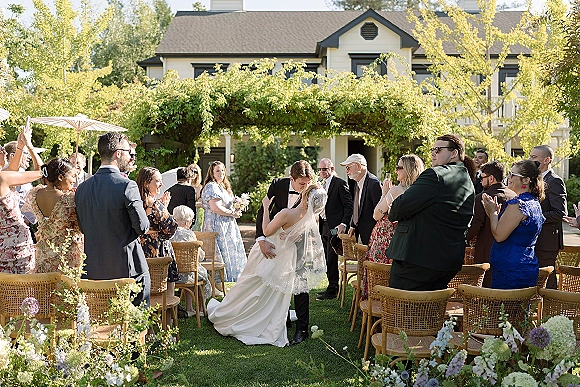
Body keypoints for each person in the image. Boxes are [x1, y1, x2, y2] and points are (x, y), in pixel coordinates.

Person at [207, 185, 326, 347]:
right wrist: (292, 235)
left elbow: (267, 231)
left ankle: (233, 315)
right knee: (270, 291)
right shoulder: (312, 217)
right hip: (287, 256)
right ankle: (268, 317)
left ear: (305, 196)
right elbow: (301, 235)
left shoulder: (287, 213)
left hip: (269, 252)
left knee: (249, 285)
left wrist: (265, 207)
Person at [386, 134, 476, 291]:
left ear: (454, 153)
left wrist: (395, 206)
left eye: (439, 150)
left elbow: (397, 209)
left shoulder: (435, 175)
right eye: (432, 149)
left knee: (404, 312)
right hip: (447, 262)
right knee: (432, 312)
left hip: (417, 261)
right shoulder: (467, 180)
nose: (433, 153)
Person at [75, 132, 151, 307]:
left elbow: (83, 227)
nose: (130, 156)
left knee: (100, 324)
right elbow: (142, 227)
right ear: (118, 153)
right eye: (128, 152)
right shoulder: (127, 185)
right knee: (135, 324)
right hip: (128, 269)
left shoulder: (82, 188)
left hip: (93, 269)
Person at [255, 160, 315, 345]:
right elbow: (262, 210)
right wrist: (261, 240)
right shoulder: (278, 185)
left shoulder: (313, 190)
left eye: (308, 182)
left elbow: (316, 218)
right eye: (301, 183)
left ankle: (302, 329)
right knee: (277, 280)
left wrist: (299, 233)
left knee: (300, 283)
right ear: (292, 179)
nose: (305, 187)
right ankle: (281, 318)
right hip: (277, 243)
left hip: (300, 244)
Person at [361, 154, 424, 300]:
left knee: (379, 273)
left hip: (386, 237)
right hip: (407, 240)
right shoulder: (420, 191)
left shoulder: (396, 190)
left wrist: (384, 194)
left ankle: (376, 303)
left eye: (399, 167)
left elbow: (376, 214)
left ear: (408, 170)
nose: (396, 171)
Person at [482, 160, 545, 289]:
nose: (508, 178)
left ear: (526, 180)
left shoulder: (518, 204)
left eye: (512, 175)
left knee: (505, 308)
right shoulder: (534, 202)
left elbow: (499, 235)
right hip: (525, 264)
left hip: (510, 269)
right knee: (521, 309)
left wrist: (492, 213)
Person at [24, 158, 84, 273]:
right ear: (60, 177)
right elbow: (79, 226)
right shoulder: (69, 201)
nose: (74, 180)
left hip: (43, 255)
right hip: (65, 257)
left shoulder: (35, 194)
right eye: (72, 176)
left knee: (45, 289)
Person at [0, 124, 42, 273]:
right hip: (17, 247)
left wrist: (19, 147)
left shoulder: (3, 176)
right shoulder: (3, 178)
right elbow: (41, 171)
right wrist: (29, 145)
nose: (3, 152)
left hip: (2, 246)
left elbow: (11, 168)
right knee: (22, 292)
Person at [466, 161, 516, 287]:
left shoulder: (483, 197)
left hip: (487, 251)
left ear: (491, 178)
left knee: (486, 292)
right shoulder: (514, 196)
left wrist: (461, 237)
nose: (481, 181)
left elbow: (475, 227)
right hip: (510, 251)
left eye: (482, 178)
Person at [201, 161, 247, 283]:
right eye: (217, 171)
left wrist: (237, 208)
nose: (221, 173)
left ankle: (231, 276)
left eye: (222, 170)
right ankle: (219, 279)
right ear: (211, 173)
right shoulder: (211, 186)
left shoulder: (222, 186)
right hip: (216, 224)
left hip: (226, 224)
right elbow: (215, 208)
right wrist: (232, 213)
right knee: (220, 250)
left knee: (230, 249)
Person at [137, 167, 179, 297]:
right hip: (158, 249)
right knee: (164, 288)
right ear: (146, 183)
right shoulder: (155, 204)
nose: (161, 184)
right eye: (158, 181)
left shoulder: (134, 202)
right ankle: (167, 316)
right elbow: (171, 229)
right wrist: (164, 208)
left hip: (139, 250)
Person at [529, 145, 567, 289]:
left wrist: (535, 216)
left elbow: (560, 212)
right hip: (535, 239)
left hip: (547, 241)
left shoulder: (554, 181)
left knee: (548, 282)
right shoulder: (534, 180)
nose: (530, 160)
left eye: (534, 157)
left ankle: (552, 310)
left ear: (546, 160)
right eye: (530, 156)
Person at [316, 158, 353, 300]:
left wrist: (344, 223)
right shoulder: (321, 185)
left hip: (335, 228)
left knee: (331, 257)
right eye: (319, 169)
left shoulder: (340, 183)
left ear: (331, 169)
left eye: (324, 169)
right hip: (324, 225)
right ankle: (331, 287)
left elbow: (348, 205)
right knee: (326, 257)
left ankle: (332, 289)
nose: (321, 172)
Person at [171, 205, 212, 314]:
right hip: (188, 274)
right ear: (187, 222)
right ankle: (201, 308)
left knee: (190, 273)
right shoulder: (189, 234)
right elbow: (199, 256)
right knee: (199, 274)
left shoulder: (169, 234)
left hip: (173, 274)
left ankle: (189, 308)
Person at [340, 154, 382, 245]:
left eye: (348, 167)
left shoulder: (374, 184)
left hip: (373, 237)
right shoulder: (357, 183)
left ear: (359, 166)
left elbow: (380, 213)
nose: (347, 171)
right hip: (362, 235)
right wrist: (353, 225)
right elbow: (357, 207)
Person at [5, 140, 38, 239]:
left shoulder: (20, 173)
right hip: (16, 227)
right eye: (25, 153)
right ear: (12, 156)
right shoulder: (13, 175)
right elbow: (42, 171)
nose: (29, 157)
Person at [188, 163, 204, 231]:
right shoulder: (185, 186)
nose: (193, 173)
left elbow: (202, 203)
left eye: (196, 172)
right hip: (185, 213)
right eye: (191, 171)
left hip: (197, 214)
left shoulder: (200, 188)